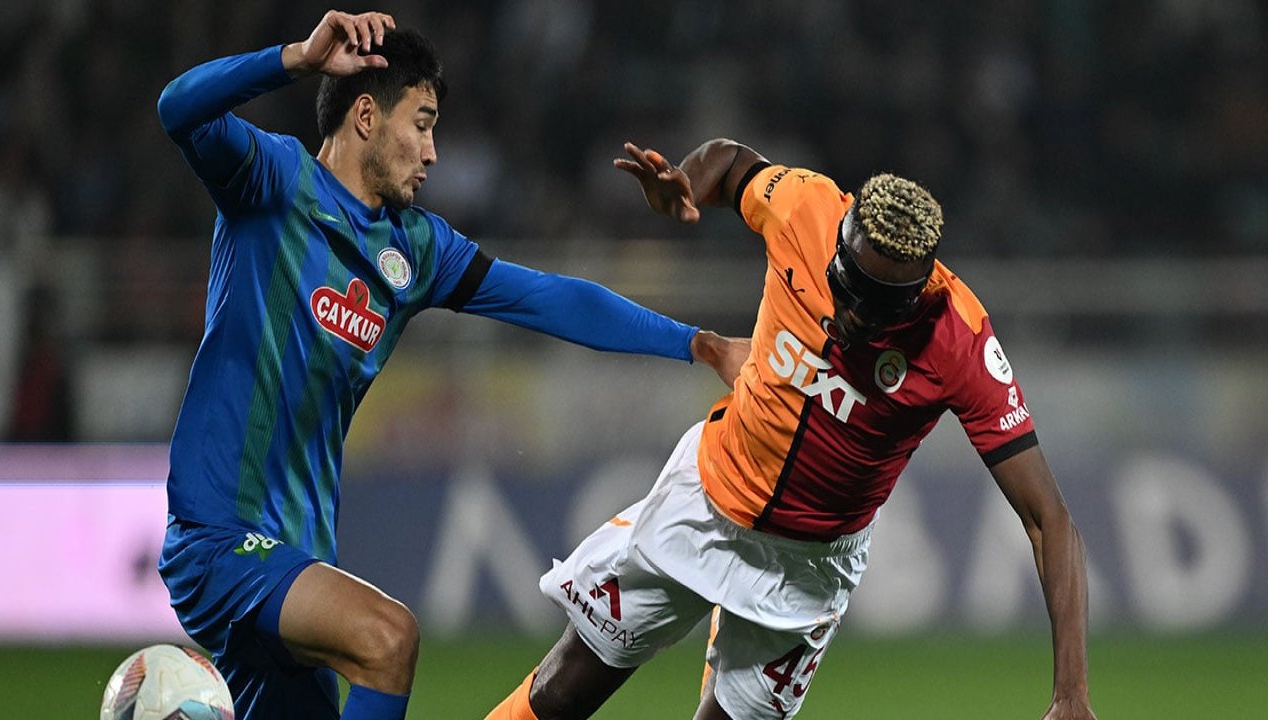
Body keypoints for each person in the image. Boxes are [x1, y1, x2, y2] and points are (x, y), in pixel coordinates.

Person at [154, 12, 743, 720]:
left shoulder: (417, 248)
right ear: (366, 116)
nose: (433, 153)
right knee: (388, 637)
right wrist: (294, 59)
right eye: (422, 124)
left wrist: (699, 343)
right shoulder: (274, 182)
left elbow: (551, 298)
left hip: (299, 558)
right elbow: (178, 108)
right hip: (220, 536)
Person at [487, 139, 1096, 720]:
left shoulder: (960, 340)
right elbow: (730, 161)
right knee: (562, 694)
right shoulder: (804, 206)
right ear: (840, 244)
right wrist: (686, 184)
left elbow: (1049, 519)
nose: (851, 316)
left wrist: (1070, 693)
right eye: (847, 288)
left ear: (916, 296)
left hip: (806, 569)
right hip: (704, 499)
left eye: (878, 308)